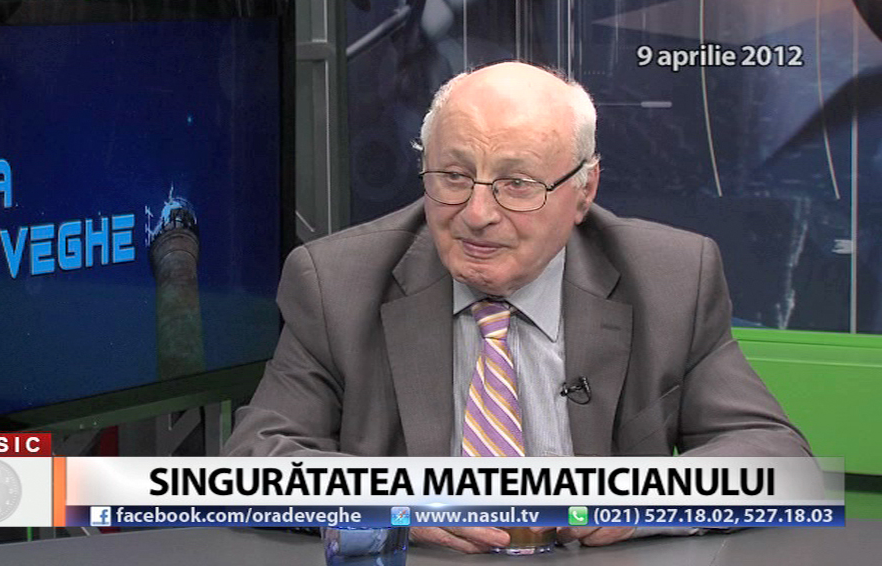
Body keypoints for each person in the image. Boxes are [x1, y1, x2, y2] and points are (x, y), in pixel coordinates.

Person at [222, 61, 811, 552]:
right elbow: (253, 463)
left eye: (518, 184)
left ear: (584, 191)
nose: (477, 214)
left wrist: (646, 500)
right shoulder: (335, 283)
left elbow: (777, 459)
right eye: (453, 176)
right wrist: (392, 504)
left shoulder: (671, 279)